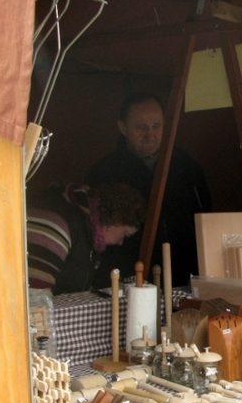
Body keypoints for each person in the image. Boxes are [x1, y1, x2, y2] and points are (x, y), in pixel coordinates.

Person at [85, 92, 212, 288]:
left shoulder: (186, 166)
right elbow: (94, 234)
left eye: (157, 126)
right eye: (141, 127)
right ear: (123, 128)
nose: (150, 135)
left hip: (184, 277)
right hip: (126, 282)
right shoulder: (104, 173)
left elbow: (206, 218)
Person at [27, 182, 146, 294]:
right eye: (124, 234)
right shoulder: (59, 225)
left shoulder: (87, 231)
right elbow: (36, 291)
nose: (121, 243)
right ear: (114, 221)